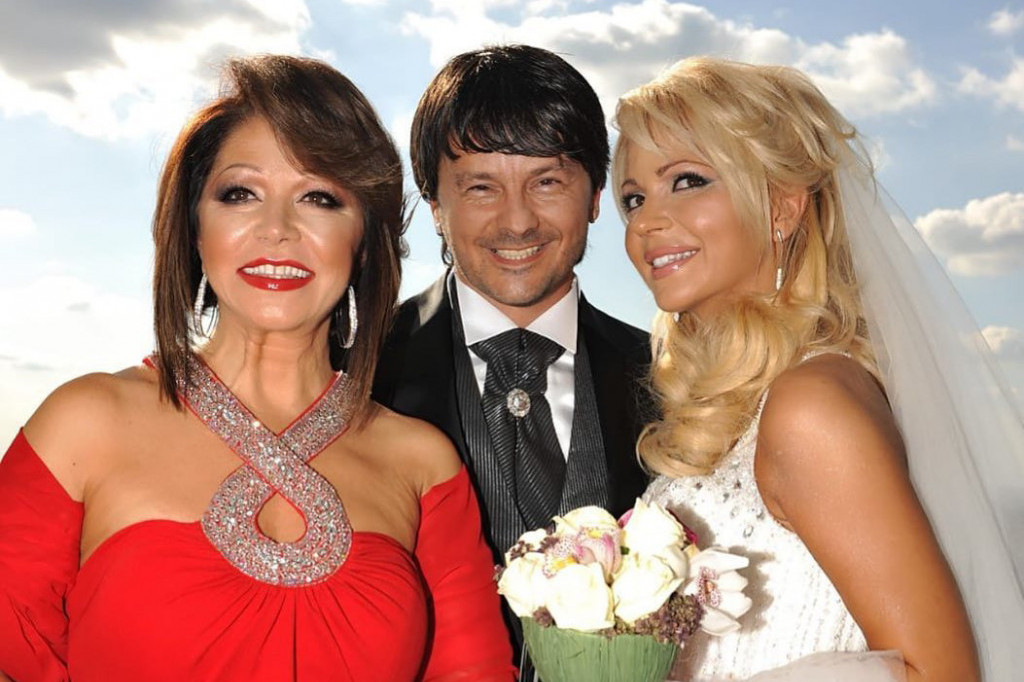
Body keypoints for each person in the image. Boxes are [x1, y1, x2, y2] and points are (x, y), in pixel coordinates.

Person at [0, 55, 514, 682]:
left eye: (319, 198)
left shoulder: (423, 464)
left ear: (363, 241)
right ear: (194, 227)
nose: (277, 230)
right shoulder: (82, 426)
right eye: (240, 194)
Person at [615, 56, 1024, 681]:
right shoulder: (758, 403)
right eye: (634, 198)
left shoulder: (811, 406)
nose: (646, 221)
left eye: (688, 181)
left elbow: (940, 673)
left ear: (782, 208)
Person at [372, 44, 654, 673]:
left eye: (547, 182)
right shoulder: (355, 374)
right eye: (481, 187)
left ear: (595, 194)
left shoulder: (675, 380)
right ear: (435, 205)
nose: (518, 221)